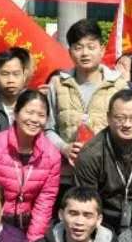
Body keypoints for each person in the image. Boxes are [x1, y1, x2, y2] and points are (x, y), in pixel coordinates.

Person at [71, 90, 132, 232]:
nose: (127, 124)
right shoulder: (91, 153)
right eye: (120, 118)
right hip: (102, 223)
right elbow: (85, 203)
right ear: (108, 118)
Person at [0, 89, 64, 242]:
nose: (34, 119)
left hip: (29, 226)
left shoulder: (52, 155)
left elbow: (45, 202)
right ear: (15, 113)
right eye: (29, 112)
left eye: (41, 115)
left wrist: (33, 241)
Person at [46, 19, 126, 168]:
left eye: (91, 47)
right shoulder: (57, 84)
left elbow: (126, 128)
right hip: (67, 171)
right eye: (78, 47)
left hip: (107, 170)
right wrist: (64, 148)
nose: (85, 53)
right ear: (70, 52)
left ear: (102, 50)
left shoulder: (118, 86)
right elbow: (47, 128)